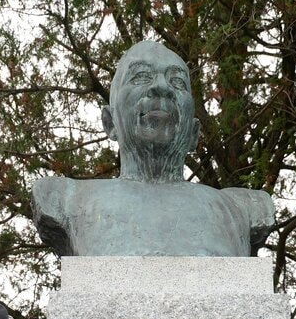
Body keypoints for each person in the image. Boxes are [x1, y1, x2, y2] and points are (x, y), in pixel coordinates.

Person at [31, 40, 275, 257]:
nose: (162, 87)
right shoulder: (67, 200)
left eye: (177, 81)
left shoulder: (242, 209)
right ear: (109, 123)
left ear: (193, 133)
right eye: (141, 76)